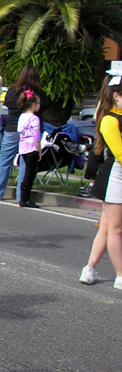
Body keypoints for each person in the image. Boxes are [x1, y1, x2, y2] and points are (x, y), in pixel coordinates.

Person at [80, 72, 122, 290]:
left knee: (106, 227)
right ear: (116, 95)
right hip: (114, 176)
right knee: (115, 228)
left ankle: (89, 267)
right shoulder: (109, 120)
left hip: (116, 176)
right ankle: (120, 276)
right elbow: (120, 153)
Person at [0, 66, 43, 200]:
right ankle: (22, 195)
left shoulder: (13, 91)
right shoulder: (39, 94)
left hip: (12, 127)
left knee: (4, 161)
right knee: (25, 164)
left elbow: (7, 103)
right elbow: (43, 108)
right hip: (30, 132)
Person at [17, 90, 42, 208]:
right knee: (30, 174)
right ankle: (25, 198)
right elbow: (36, 136)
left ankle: (23, 197)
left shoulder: (22, 117)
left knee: (27, 172)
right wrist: (40, 150)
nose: (39, 106)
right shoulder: (34, 118)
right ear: (33, 104)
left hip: (23, 148)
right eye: (38, 103)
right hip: (32, 148)